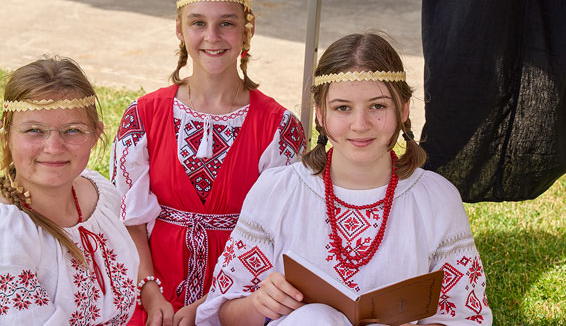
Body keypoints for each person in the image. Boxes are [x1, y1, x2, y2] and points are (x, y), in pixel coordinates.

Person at [195, 33, 493, 325]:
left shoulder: (436, 199)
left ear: (403, 110)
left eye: (378, 106)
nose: (360, 125)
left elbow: (465, 317)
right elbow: (225, 314)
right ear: (321, 116)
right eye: (342, 108)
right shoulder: (277, 191)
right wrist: (261, 303)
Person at [109, 0, 306, 326]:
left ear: (249, 29)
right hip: (151, 284)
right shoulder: (143, 116)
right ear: (179, 29)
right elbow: (129, 222)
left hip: (240, 294)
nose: (212, 37)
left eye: (226, 23)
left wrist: (211, 304)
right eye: (198, 22)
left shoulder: (279, 128)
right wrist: (152, 295)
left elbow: (279, 235)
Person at [0, 57, 139, 325]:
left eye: (72, 130)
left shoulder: (100, 194)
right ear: (5, 134)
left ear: (95, 135)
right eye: (34, 130)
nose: (54, 147)